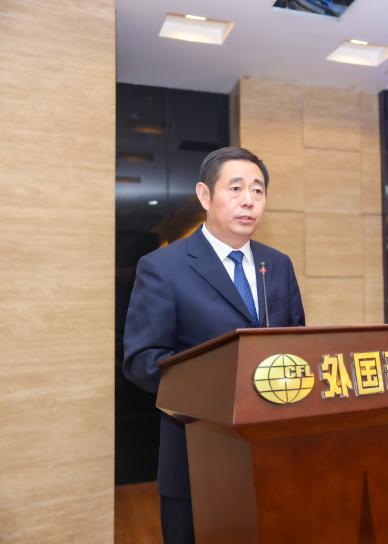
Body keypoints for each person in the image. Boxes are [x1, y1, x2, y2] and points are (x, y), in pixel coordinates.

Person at [123, 146, 305, 543]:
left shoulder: (278, 265)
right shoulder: (163, 267)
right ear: (205, 196)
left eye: (258, 190)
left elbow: (296, 346)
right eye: (236, 188)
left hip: (272, 457)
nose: (249, 200)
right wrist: (223, 386)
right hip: (196, 458)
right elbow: (143, 360)